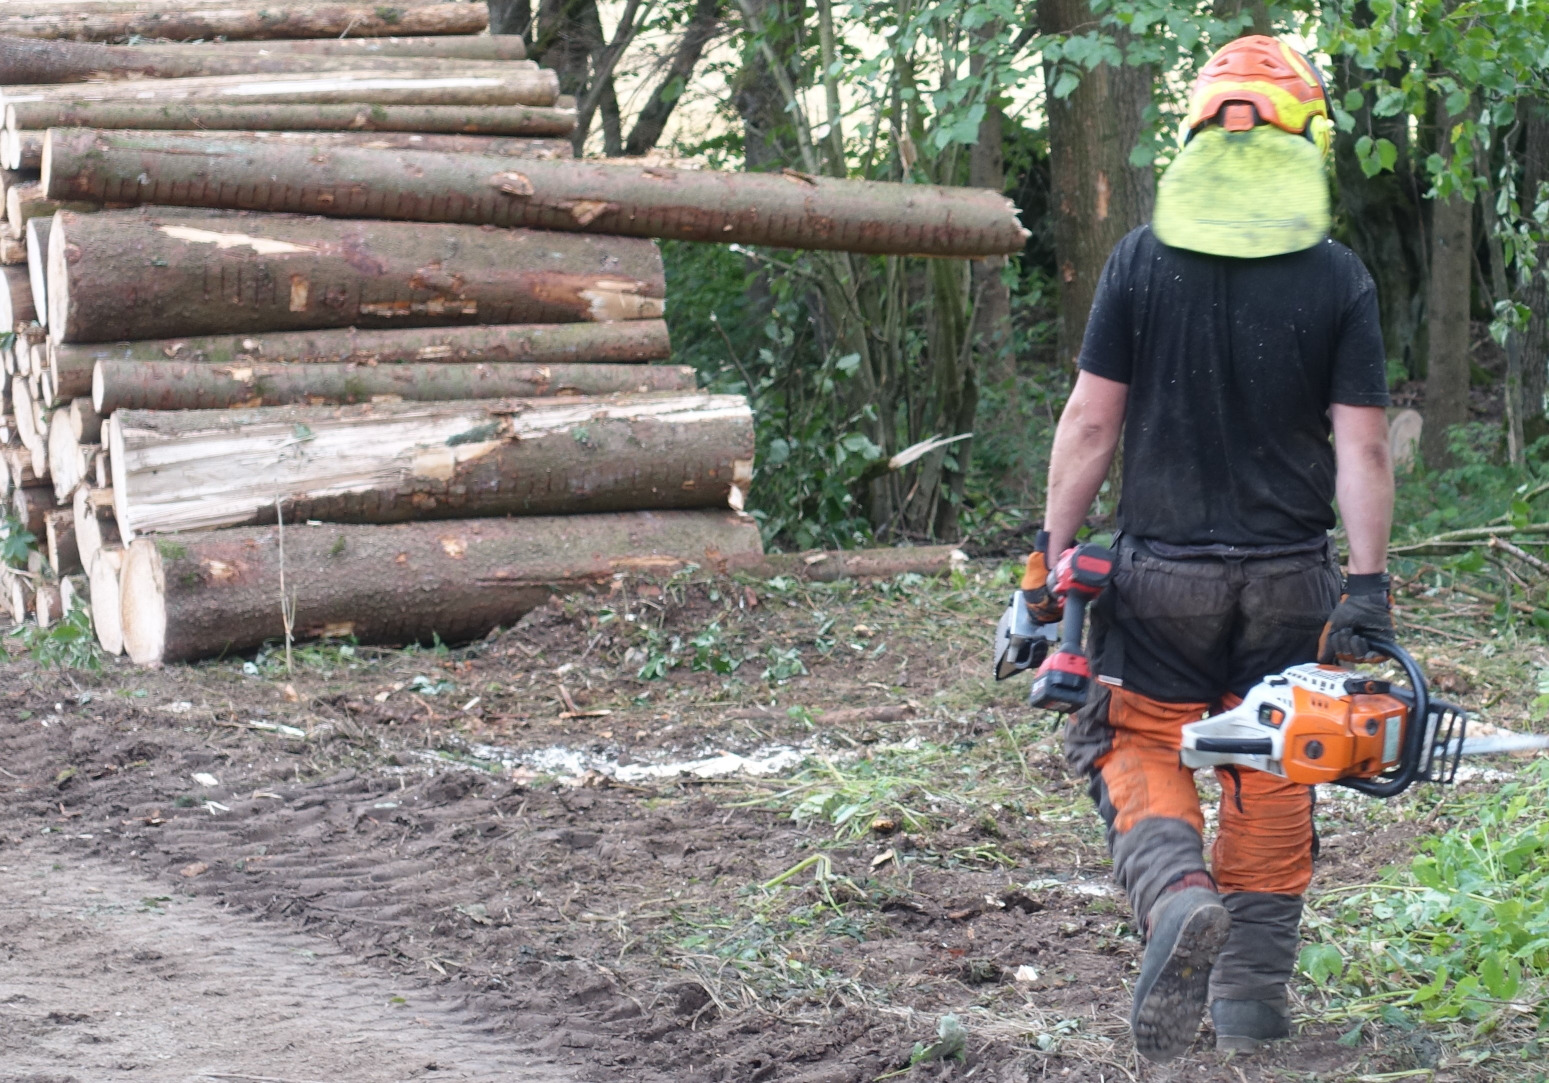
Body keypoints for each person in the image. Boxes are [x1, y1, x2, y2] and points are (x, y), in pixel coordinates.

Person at [1028, 35, 1397, 1062]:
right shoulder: (1337, 277)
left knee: (1131, 739)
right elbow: (1362, 446)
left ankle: (1177, 894)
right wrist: (1366, 585)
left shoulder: (1139, 262)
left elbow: (1090, 423)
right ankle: (1249, 1003)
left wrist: (1048, 555)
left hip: (1159, 580)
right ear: (1306, 142)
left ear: (1197, 132)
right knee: (1276, 763)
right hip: (1291, 583)